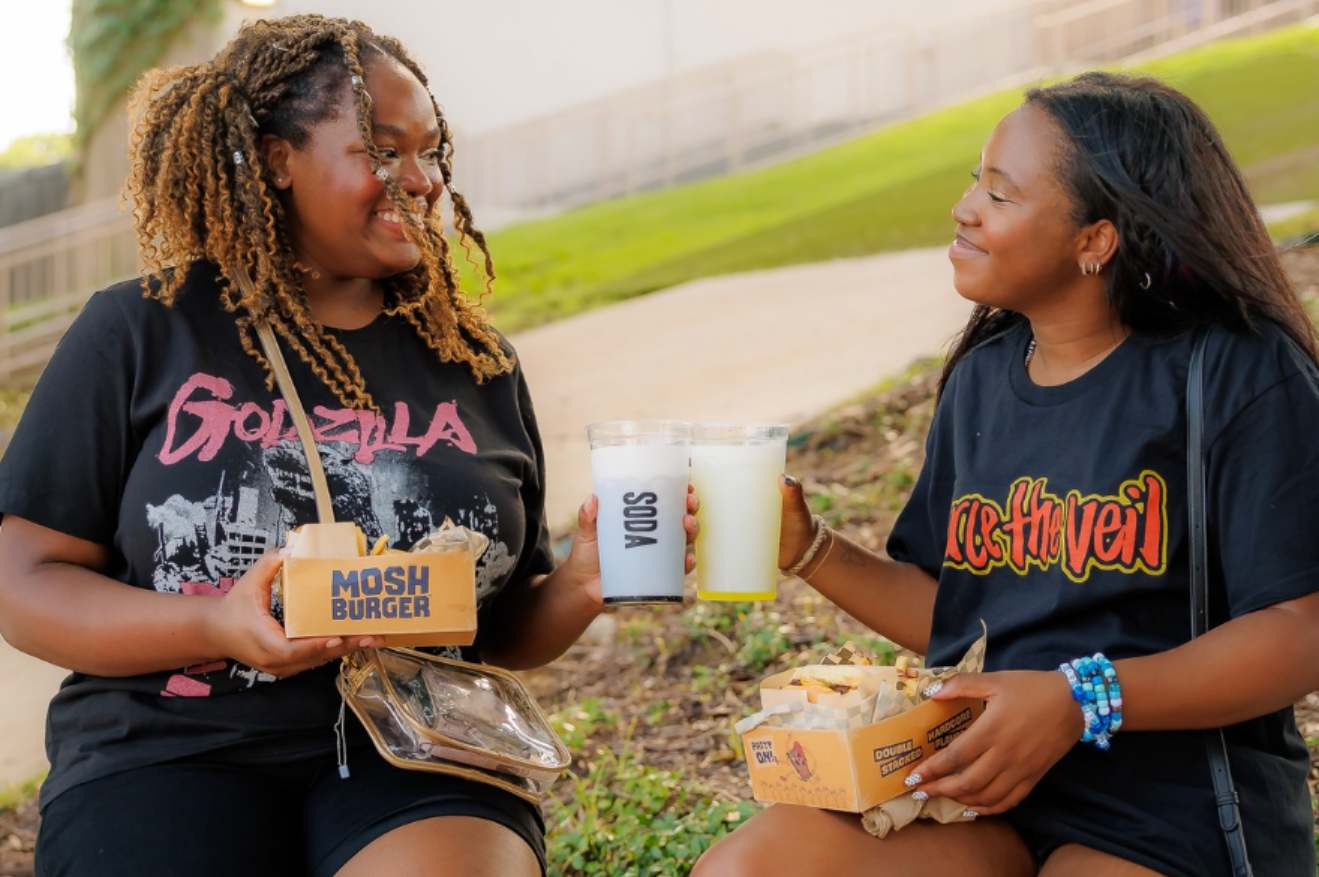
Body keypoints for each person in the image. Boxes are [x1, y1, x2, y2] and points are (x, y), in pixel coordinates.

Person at [0, 14, 695, 877]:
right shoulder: (141, 330)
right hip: (166, 746)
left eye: (432, 152)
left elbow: (497, 624)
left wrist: (588, 579)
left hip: (417, 743)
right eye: (385, 149)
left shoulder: (472, 362)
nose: (424, 180)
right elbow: (24, 583)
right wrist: (213, 620)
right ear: (277, 158)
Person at [694, 71, 1319, 877]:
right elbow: (961, 615)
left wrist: (1076, 699)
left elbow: (1298, 630)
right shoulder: (983, 378)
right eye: (972, 181)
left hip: (1169, 806)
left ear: (1094, 240)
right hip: (973, 787)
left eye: (999, 193)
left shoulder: (1231, 372)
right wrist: (809, 548)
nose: (964, 209)